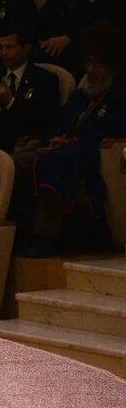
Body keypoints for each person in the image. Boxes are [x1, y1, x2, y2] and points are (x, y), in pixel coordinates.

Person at [19, 24, 126, 256]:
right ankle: (20, 233)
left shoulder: (120, 97)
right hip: (70, 149)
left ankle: (44, 237)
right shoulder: (81, 95)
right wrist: (56, 138)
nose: (90, 70)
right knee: (17, 162)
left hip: (99, 155)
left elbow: (114, 134)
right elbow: (57, 122)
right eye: (88, 63)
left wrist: (70, 144)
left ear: (113, 67)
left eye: (97, 64)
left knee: (57, 162)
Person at [0, 28, 60, 154]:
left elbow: (42, 121)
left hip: (21, 140)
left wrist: (10, 102)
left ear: (26, 49)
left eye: (9, 47)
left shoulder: (44, 79)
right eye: (0, 47)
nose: (3, 53)